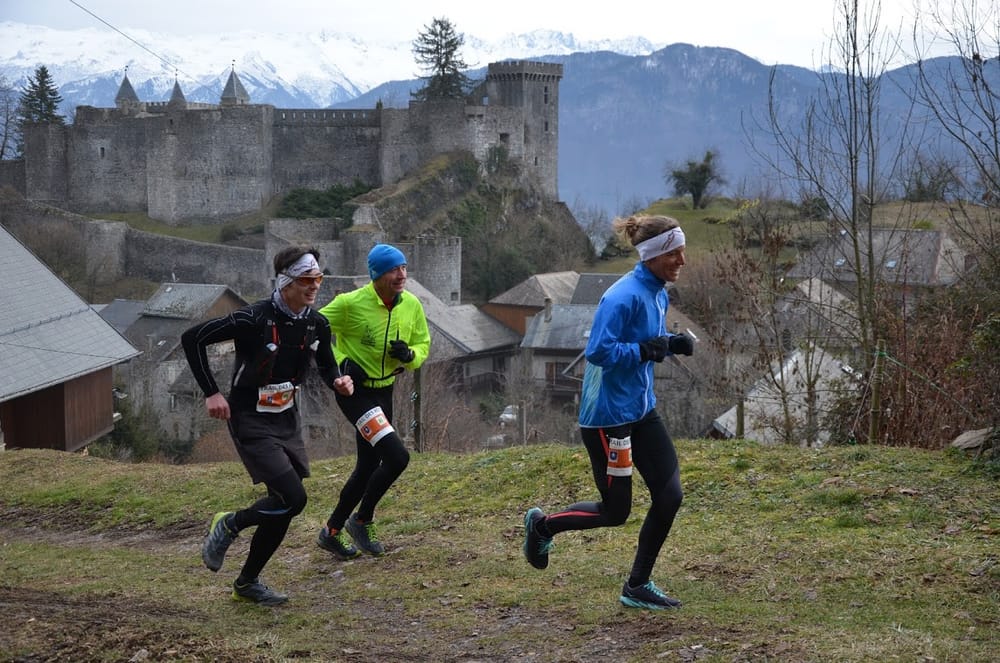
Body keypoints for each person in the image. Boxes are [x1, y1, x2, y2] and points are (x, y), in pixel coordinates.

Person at [522, 215, 695, 610]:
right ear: (653, 255)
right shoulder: (622, 296)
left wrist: (671, 343)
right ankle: (542, 526)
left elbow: (645, 341)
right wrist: (645, 351)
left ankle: (637, 585)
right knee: (617, 511)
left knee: (669, 496)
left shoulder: (658, 291)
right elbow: (599, 351)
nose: (682, 260)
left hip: (642, 409)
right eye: (674, 252)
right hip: (608, 418)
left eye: (682, 250)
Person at [182, 246, 354, 606]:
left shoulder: (315, 323)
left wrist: (337, 380)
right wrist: (212, 393)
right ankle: (230, 524)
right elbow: (192, 338)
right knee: (293, 498)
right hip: (249, 417)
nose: (314, 287)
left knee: (283, 503)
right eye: (307, 280)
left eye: (318, 279)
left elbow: (326, 363)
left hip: (286, 419)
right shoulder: (254, 318)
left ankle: (247, 582)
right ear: (287, 282)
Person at [315, 243, 430, 559]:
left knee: (367, 466)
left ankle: (332, 531)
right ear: (377, 274)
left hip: (386, 389)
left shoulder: (412, 306)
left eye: (404, 268)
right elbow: (313, 331)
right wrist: (340, 365)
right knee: (397, 457)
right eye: (394, 269)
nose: (401, 275)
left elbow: (423, 343)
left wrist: (410, 356)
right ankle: (362, 519)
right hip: (355, 393)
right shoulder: (350, 304)